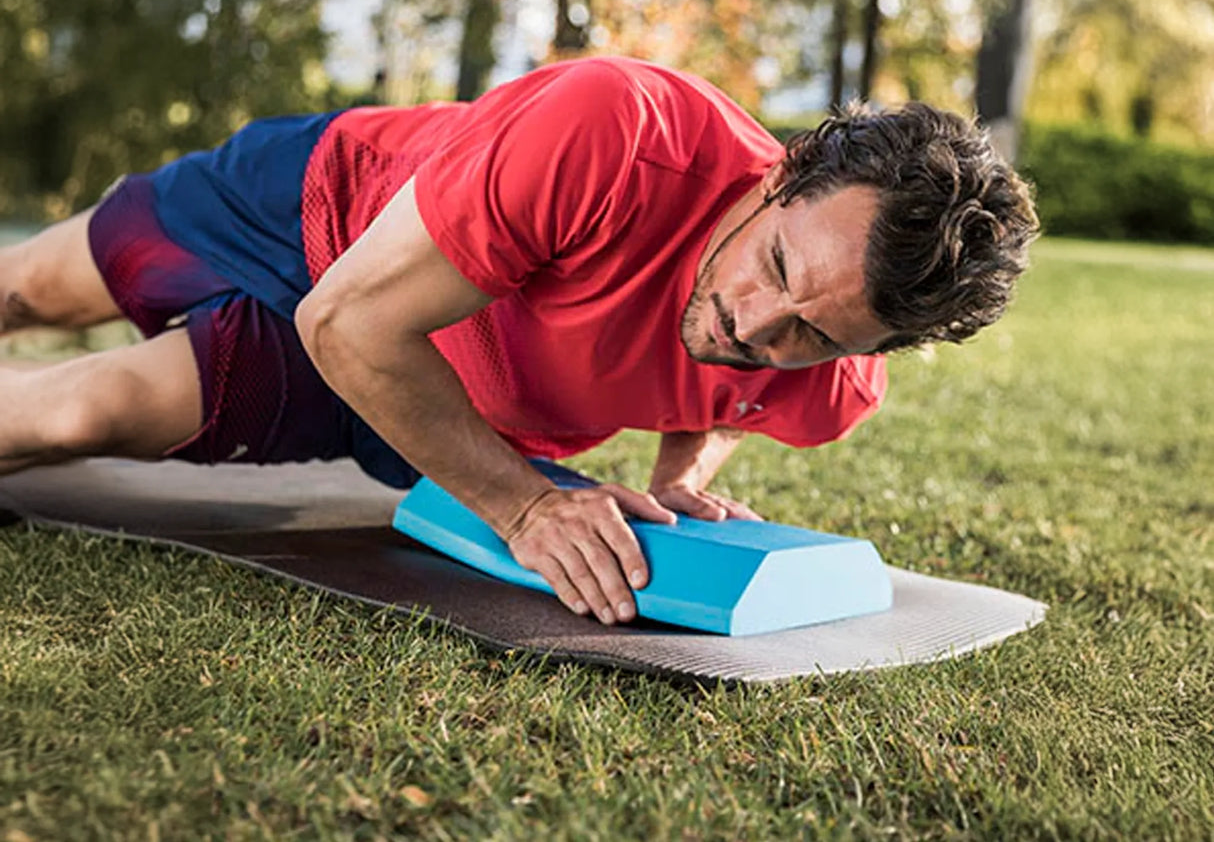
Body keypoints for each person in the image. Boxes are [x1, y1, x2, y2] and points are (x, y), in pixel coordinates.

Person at [0, 56, 1038, 625]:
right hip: (310, 204)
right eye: (771, 268)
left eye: (810, 332)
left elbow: (747, 394)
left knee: (74, 412)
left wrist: (687, 466)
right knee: (31, 283)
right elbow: (344, 314)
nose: (751, 326)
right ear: (783, 170)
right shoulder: (615, 131)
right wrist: (529, 504)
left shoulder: (828, 377)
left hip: (406, 382)